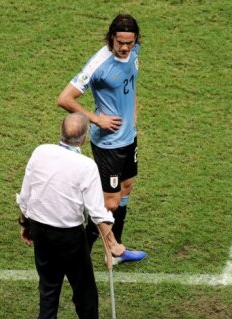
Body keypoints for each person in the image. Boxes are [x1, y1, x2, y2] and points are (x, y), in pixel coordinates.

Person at [17, 113, 142, 319]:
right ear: (84, 139)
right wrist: (113, 244)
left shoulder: (40, 151)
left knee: (48, 285)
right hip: (69, 235)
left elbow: (26, 192)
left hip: (41, 229)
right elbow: (97, 213)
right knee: (83, 286)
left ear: (61, 132)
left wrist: (25, 224)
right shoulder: (86, 166)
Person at [57, 14, 145, 264]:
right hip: (108, 144)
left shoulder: (135, 51)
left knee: (126, 188)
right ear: (111, 38)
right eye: (120, 42)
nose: (125, 47)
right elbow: (64, 98)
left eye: (130, 42)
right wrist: (96, 119)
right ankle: (79, 254)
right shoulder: (99, 64)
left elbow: (132, 82)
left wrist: (134, 114)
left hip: (129, 138)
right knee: (110, 203)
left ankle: (114, 254)